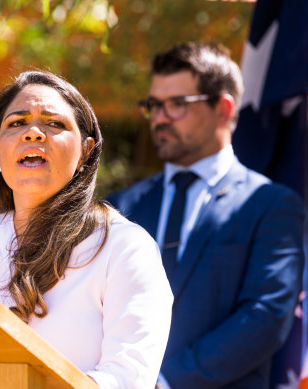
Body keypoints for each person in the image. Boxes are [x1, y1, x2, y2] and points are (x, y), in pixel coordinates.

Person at [0, 70, 173, 388]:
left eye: (54, 123)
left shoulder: (124, 247)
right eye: (16, 123)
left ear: (86, 151)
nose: (33, 133)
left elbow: (127, 376)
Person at [106, 42, 305, 389]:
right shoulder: (117, 209)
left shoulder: (271, 204)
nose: (161, 117)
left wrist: (165, 382)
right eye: (154, 105)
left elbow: (265, 317)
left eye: (177, 104)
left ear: (223, 108)